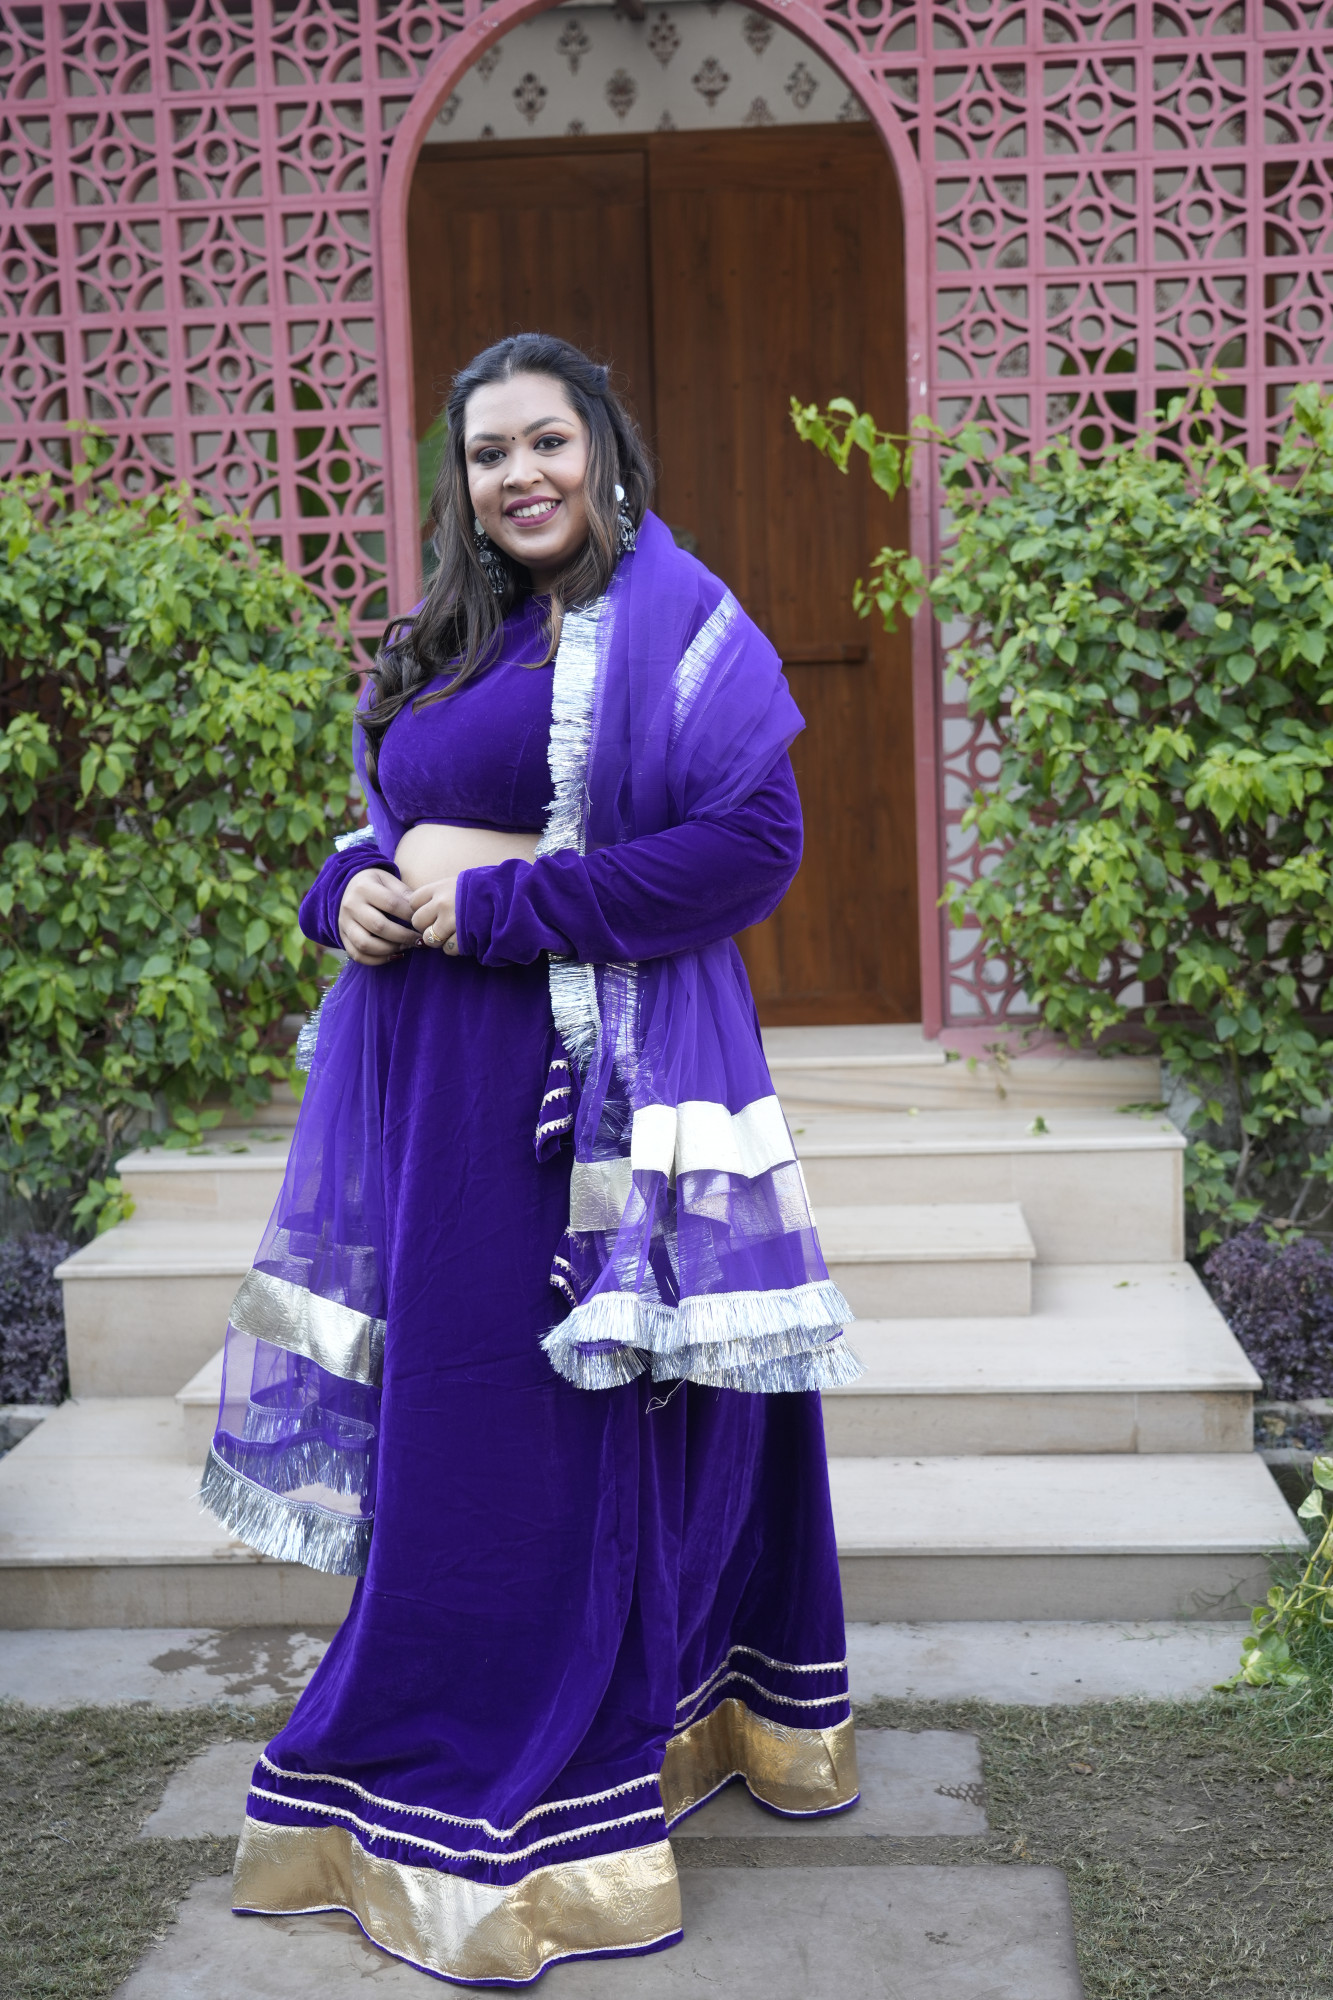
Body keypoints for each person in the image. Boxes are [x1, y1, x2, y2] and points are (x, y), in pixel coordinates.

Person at [203, 332, 861, 1987]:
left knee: (529, 1423)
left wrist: (506, 903)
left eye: (546, 440)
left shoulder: (674, 621)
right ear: (465, 479)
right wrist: (340, 888)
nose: (520, 475)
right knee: (453, 1403)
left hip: (580, 1101)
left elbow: (747, 849)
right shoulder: (445, 632)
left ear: (603, 446)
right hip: (429, 1087)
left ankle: (546, 1776)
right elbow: (380, 814)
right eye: (489, 452)